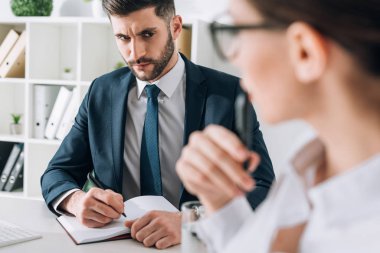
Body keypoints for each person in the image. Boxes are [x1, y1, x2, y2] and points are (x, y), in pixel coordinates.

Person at [40, 0, 275, 249]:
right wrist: (75, 201)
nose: (135, 53)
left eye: (147, 34)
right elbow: (57, 172)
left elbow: (263, 188)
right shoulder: (101, 91)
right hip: (118, 245)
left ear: (175, 27)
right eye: (123, 37)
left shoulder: (228, 94)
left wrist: (191, 221)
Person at [176, 0, 380, 252]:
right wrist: (222, 202)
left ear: (304, 51)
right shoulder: (309, 156)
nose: (234, 56)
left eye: (238, 30)